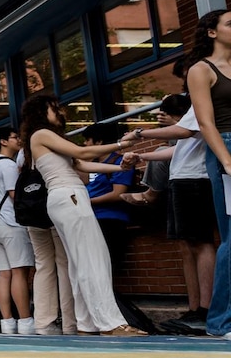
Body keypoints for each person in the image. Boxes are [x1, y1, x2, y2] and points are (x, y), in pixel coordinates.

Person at [21, 94, 144, 335]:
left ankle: (87, 323)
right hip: (69, 196)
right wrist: (122, 145)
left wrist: (120, 167)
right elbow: (84, 155)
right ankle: (110, 323)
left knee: (81, 263)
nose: (60, 112)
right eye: (54, 108)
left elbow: (82, 164)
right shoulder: (41, 134)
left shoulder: (44, 138)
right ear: (39, 112)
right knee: (93, 260)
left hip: (66, 198)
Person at [121, 93, 216, 330]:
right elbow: (176, 151)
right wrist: (141, 155)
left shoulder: (202, 105)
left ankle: (206, 311)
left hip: (196, 180)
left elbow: (182, 132)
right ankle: (196, 310)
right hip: (183, 180)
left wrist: (138, 134)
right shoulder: (195, 109)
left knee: (202, 243)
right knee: (191, 245)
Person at [183, 9, 231, 341]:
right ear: (212, 32)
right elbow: (205, 123)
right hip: (226, 148)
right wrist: (227, 161)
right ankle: (221, 323)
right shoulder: (201, 70)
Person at [0, 127, 36, 335]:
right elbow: (16, 195)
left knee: (4, 273)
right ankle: (25, 321)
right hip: (11, 223)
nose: (19, 140)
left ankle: (7, 322)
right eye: (15, 137)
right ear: (3, 141)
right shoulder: (7, 165)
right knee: (19, 272)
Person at [81, 123, 134, 277]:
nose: (85, 144)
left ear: (99, 142)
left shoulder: (120, 162)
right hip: (93, 218)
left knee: (107, 264)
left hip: (110, 220)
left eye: (87, 140)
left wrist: (89, 202)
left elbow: (118, 193)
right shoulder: (93, 165)